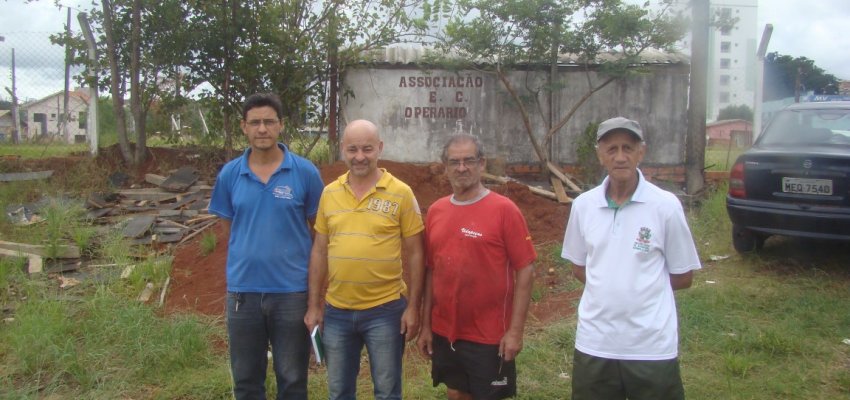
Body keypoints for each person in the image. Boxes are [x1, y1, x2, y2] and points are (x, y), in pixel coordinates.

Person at [560, 117, 702, 400]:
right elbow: (579, 267)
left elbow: (683, 276)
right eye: (611, 149)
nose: (620, 157)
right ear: (600, 155)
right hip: (595, 343)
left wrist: (640, 290)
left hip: (650, 346)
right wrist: (610, 287)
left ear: (641, 152)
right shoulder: (584, 206)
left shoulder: (665, 206)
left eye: (628, 148)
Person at [208, 93, 324, 400]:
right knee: (246, 380)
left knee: (293, 380)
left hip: (291, 294)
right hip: (243, 294)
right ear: (244, 127)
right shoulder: (230, 174)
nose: (262, 129)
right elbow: (229, 229)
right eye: (255, 122)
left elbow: (320, 234)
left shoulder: (305, 173)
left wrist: (314, 298)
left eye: (269, 122)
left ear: (281, 125)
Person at [304, 119, 425, 400]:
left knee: (387, 391)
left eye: (367, 149)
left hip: (385, 311)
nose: (360, 157)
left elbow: (417, 253)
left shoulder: (401, 193)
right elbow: (319, 251)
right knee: (339, 391)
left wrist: (413, 307)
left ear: (379, 148)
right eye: (353, 149)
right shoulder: (329, 193)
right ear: (342, 149)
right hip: (337, 311)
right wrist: (314, 306)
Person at [417, 133, 537, 400]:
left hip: (489, 335)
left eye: (469, 160)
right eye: (454, 162)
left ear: (482, 164)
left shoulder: (505, 210)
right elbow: (431, 271)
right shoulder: (436, 211)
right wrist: (426, 326)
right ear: (445, 166)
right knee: (455, 393)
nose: (462, 168)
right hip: (445, 331)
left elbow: (526, 270)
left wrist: (515, 332)